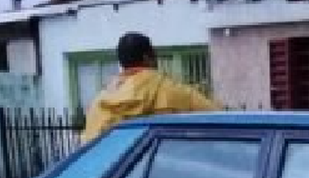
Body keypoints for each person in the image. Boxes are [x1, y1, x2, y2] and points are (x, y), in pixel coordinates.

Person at [81, 32, 220, 144]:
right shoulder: (174, 92)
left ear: (122, 62)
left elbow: (88, 147)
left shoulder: (99, 103)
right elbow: (219, 120)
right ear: (148, 58)